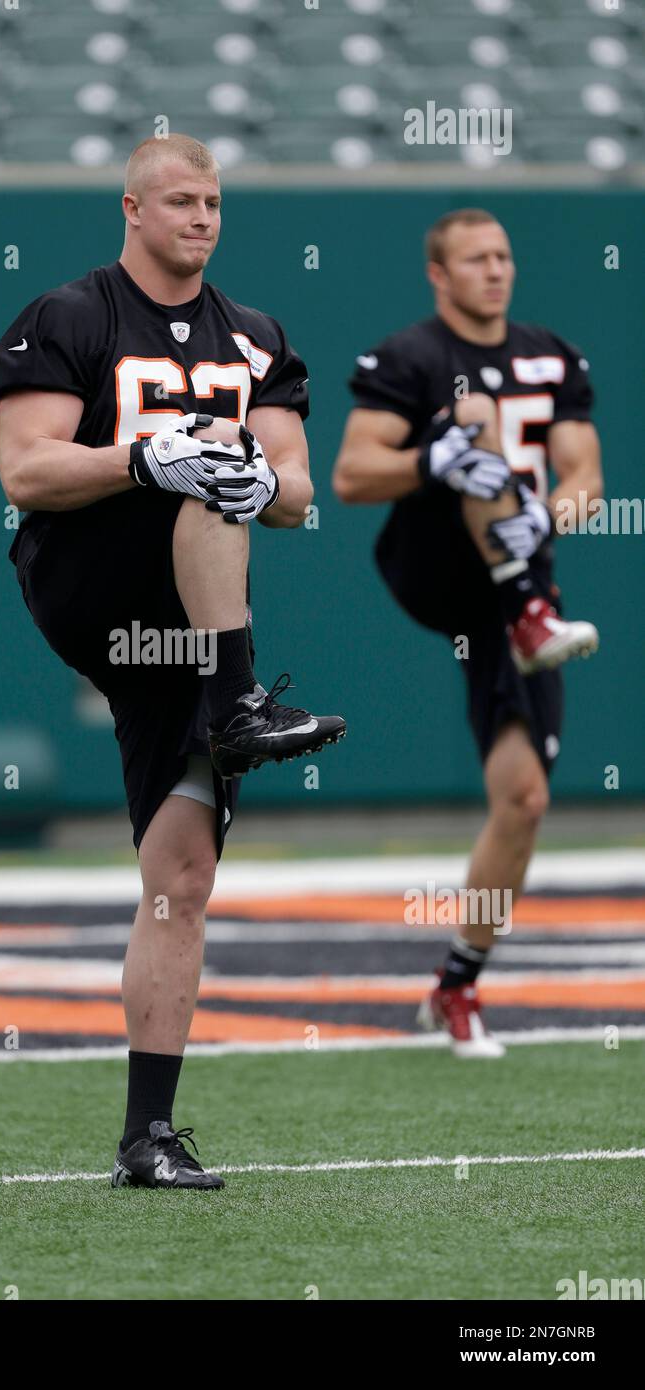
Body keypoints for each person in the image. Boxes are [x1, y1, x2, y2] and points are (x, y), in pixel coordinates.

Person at [0, 134, 345, 1187]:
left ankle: (148, 1135)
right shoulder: (69, 315)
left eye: (215, 201)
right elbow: (26, 467)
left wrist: (250, 482)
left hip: (192, 625)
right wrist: (145, 455)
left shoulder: (258, 335)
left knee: (178, 880)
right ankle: (239, 703)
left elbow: (298, 490)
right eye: (181, 199)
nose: (202, 217)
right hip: (90, 580)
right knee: (198, 459)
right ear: (133, 209)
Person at [333, 209, 602, 1058]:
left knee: (522, 801)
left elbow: (584, 474)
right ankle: (527, 607)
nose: (495, 270)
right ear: (438, 275)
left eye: (503, 256)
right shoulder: (412, 357)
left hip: (512, 576)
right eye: (475, 259)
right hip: (432, 559)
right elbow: (347, 476)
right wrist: (430, 461)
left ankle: (455, 983)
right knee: (474, 421)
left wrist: (543, 522)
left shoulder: (550, 352)